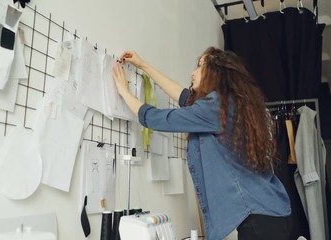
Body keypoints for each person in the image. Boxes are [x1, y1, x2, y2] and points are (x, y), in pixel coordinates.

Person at [111, 47, 291, 240]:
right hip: (272, 212)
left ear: (215, 73)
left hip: (258, 221)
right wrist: (144, 65)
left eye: (199, 66)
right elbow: (185, 98)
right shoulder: (231, 105)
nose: (192, 72)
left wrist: (124, 92)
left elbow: (158, 118)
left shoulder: (216, 107)